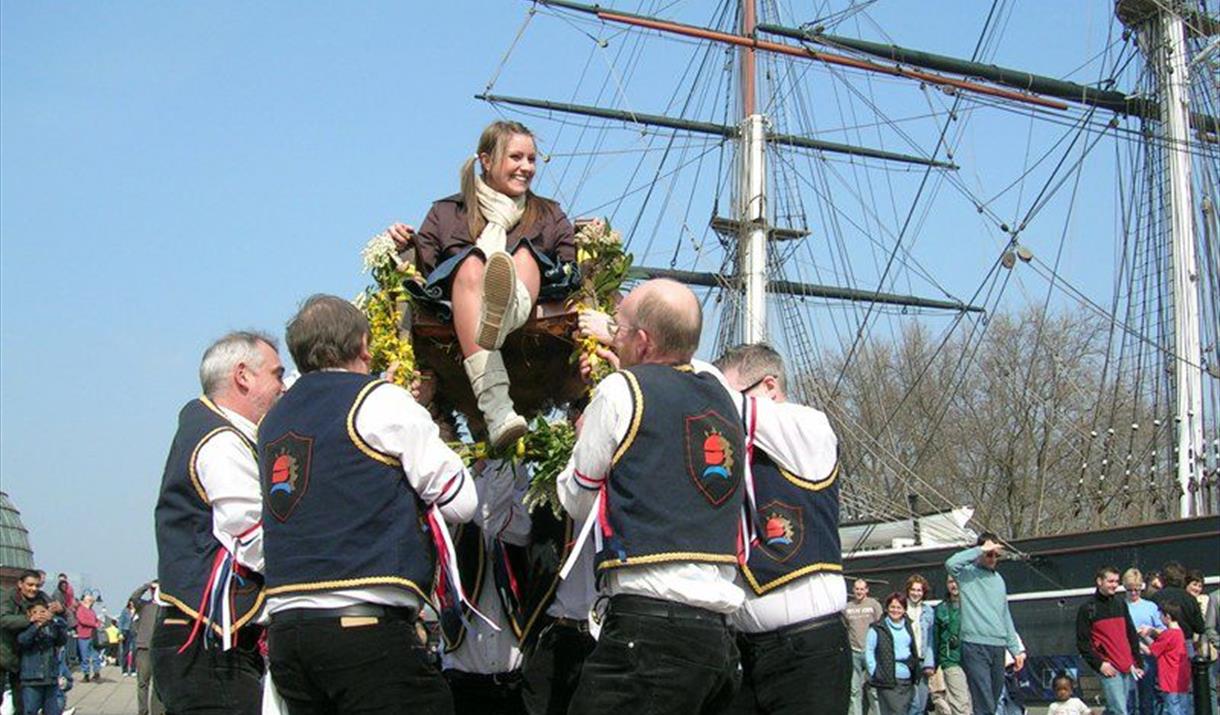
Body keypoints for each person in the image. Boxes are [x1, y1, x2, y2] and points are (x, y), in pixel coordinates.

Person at [259, 294, 478, 714]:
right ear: (363, 344)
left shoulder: (273, 420)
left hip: (288, 634)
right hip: (363, 628)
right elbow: (460, 500)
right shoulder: (380, 401)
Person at [557, 278, 746, 714]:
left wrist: (583, 435)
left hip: (649, 631)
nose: (613, 337)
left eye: (619, 330)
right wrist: (621, 336)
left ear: (642, 342)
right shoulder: (720, 389)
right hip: (716, 637)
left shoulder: (620, 391)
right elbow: (679, 351)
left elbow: (580, 501)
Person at [388, 120, 576, 448]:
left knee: (525, 258)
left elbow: (570, 260)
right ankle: (497, 406)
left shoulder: (548, 213)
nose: (526, 167)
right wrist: (403, 243)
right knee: (471, 265)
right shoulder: (447, 213)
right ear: (486, 161)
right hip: (463, 303)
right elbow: (426, 266)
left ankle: (501, 313)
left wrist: (593, 236)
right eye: (516, 157)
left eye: (531, 159)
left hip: (529, 302)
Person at [713, 343, 851, 715]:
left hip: (807, 649)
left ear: (770, 386)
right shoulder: (735, 451)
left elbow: (709, 393)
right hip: (742, 649)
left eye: (734, 396)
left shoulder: (807, 426)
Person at [152, 330, 284, 714]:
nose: (282, 387)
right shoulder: (222, 441)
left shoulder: (213, 430)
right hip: (208, 644)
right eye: (276, 374)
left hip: (205, 641)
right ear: (243, 376)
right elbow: (253, 536)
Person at [441, 458, 531, 715]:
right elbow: (473, 509)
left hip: (516, 681)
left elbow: (498, 516)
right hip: (462, 680)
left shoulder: (522, 516)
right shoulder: (448, 512)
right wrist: (476, 469)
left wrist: (504, 458)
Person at [945, 533, 1026, 715]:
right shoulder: (966, 574)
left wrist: (1015, 649)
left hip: (998, 646)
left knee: (994, 697)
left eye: (996, 555)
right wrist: (980, 549)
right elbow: (950, 564)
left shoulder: (998, 580)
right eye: (989, 554)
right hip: (974, 645)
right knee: (984, 701)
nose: (993, 558)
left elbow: (1005, 615)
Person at [1077, 566, 1143, 715]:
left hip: (1126, 664)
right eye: (1110, 581)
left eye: (1116, 582)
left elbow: (1131, 633)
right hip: (1109, 666)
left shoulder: (1120, 604)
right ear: (1099, 581)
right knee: (1120, 711)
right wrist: (1100, 664)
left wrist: (1137, 661)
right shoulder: (1087, 608)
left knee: (1115, 709)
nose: (1114, 585)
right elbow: (1083, 643)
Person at [2, 571, 51, 713]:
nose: (34, 589)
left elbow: (56, 607)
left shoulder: (41, 596)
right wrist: (29, 619)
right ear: (20, 584)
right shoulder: (8, 597)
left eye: (37, 585)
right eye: (30, 585)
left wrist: (60, 609)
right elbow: (3, 619)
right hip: (4, 652)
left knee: (21, 701)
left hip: (23, 656)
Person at [867, 593, 920, 715]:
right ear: (887, 608)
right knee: (896, 712)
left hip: (907, 678)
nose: (895, 610)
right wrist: (874, 671)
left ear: (904, 609)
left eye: (899, 607)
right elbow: (869, 651)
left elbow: (912, 649)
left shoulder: (908, 625)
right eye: (892, 607)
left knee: (914, 709)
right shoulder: (877, 628)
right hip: (888, 679)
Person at [16, 595, 67, 715]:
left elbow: (62, 640)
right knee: (30, 710)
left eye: (43, 612)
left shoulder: (52, 627)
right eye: (35, 612)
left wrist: (54, 621)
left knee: (52, 710)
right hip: (31, 678)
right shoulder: (26, 627)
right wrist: (36, 626)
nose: (40, 615)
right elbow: (23, 641)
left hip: (50, 676)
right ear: (29, 614)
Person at [1121, 568, 1161, 715]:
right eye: (1130, 590)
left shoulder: (1150, 607)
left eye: (1137, 590)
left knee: (1147, 699)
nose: (1133, 593)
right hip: (1128, 657)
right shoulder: (1120, 606)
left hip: (1148, 657)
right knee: (1129, 700)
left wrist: (1150, 630)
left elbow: (1163, 631)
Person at [932, 575, 973, 715]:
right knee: (960, 704)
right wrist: (934, 663)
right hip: (951, 660)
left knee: (975, 702)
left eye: (957, 581)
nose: (954, 585)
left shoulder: (974, 605)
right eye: (951, 582)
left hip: (974, 659)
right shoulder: (941, 609)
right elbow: (935, 639)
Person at [847, 579, 885, 715]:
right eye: (857, 589)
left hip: (871, 652)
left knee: (873, 689)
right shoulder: (848, 607)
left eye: (862, 589)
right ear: (853, 590)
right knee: (854, 690)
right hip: (854, 651)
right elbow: (846, 627)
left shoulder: (874, 604)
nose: (859, 591)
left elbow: (881, 626)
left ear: (867, 590)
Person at [1144, 602, 1190, 715]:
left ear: (1167, 616)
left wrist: (1138, 639)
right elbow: (1160, 646)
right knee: (1182, 708)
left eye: (1161, 615)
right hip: (1181, 678)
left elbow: (1151, 651)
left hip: (1169, 678)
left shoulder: (1168, 634)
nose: (1159, 618)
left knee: (1173, 708)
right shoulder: (1179, 632)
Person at [128, 582, 163, 715]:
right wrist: (147, 586)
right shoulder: (144, 605)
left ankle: (157, 712)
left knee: (158, 685)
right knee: (143, 683)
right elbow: (134, 597)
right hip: (144, 648)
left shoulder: (165, 607)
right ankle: (142, 711)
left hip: (159, 649)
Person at [1149, 563, 1206, 643]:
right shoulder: (1190, 598)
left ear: (1163, 579)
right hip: (1185, 643)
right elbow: (1200, 628)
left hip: (1163, 643)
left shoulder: (1155, 598)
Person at [904, 574, 936, 715]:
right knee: (913, 703)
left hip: (923, 660)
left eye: (919, 590)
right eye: (913, 590)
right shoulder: (902, 608)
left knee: (922, 704)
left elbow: (931, 639)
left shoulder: (928, 611)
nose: (916, 593)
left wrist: (930, 663)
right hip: (907, 659)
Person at [72, 595, 100, 683]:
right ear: (86, 601)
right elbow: (82, 621)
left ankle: (96, 672)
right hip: (83, 635)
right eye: (90, 600)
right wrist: (94, 624)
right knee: (85, 656)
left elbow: (96, 620)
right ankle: (86, 674)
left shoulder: (92, 611)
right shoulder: (80, 610)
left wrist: (98, 623)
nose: (92, 602)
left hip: (92, 635)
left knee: (95, 655)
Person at [117, 602, 135, 677]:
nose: (132, 604)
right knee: (125, 651)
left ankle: (133, 670)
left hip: (134, 631)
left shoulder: (138, 610)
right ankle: (124, 670)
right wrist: (120, 632)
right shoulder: (125, 611)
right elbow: (121, 622)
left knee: (134, 651)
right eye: (131, 602)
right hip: (126, 631)